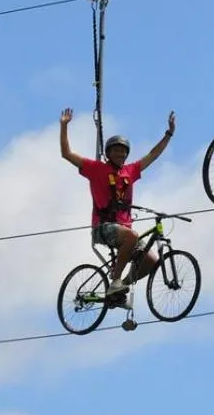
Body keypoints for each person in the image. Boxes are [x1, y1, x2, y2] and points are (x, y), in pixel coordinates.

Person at [59, 107, 175, 301]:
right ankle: (115, 281)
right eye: (116, 150)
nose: (120, 153)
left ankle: (120, 289)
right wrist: (64, 126)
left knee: (151, 261)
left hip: (124, 230)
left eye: (123, 151)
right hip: (103, 227)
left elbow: (153, 155)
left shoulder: (130, 171)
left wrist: (169, 133)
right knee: (132, 235)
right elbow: (66, 153)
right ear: (109, 153)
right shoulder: (96, 169)